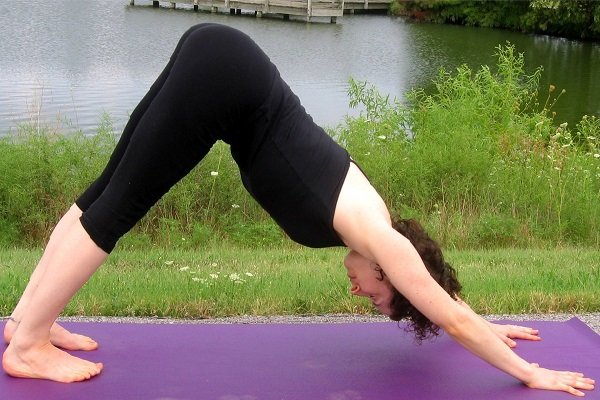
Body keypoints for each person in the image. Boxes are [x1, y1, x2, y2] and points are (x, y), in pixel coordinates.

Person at [2, 23, 595, 396]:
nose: (362, 296)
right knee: (116, 209)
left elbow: (437, 294)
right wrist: (532, 375)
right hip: (222, 77)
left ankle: (32, 316)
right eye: (380, 298)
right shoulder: (380, 237)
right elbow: (447, 312)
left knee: (105, 192)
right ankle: (28, 345)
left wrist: (487, 322)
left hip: (221, 61)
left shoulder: (382, 232)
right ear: (395, 274)